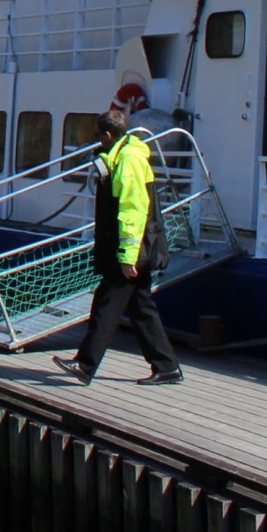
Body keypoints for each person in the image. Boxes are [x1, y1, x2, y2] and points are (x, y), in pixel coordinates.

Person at [53, 108, 182, 387]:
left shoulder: (129, 160)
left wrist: (127, 257)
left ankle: (85, 365)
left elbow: (132, 212)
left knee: (106, 306)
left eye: (98, 136)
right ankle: (167, 365)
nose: (96, 141)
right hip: (134, 251)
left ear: (109, 135)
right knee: (142, 308)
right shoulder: (120, 156)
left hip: (131, 253)